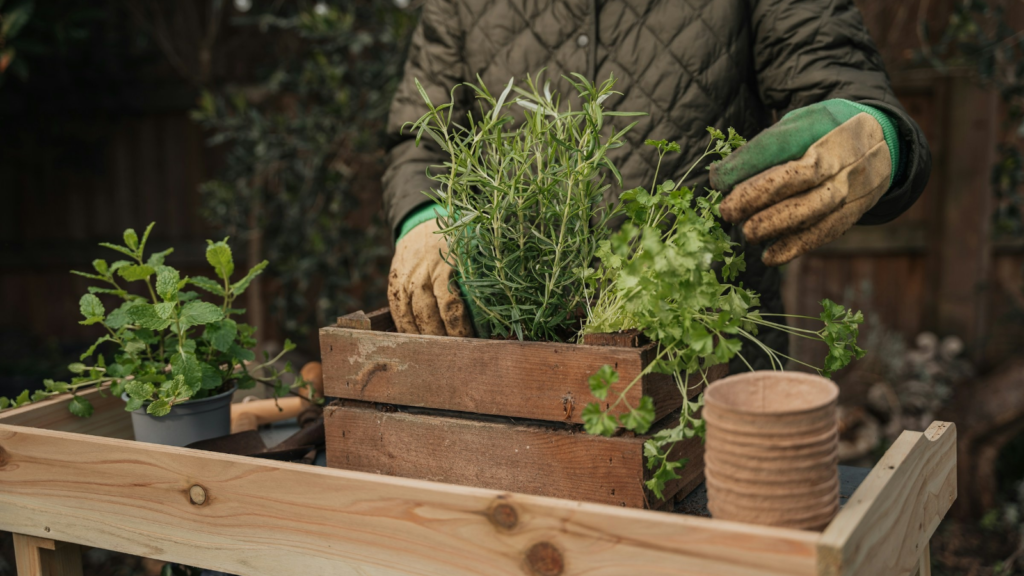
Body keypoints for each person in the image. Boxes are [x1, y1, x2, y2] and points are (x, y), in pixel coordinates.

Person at [381, 0, 931, 370]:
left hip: (709, 356)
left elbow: (838, 75)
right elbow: (421, 137)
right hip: (511, 359)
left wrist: (881, 134)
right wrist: (425, 216)